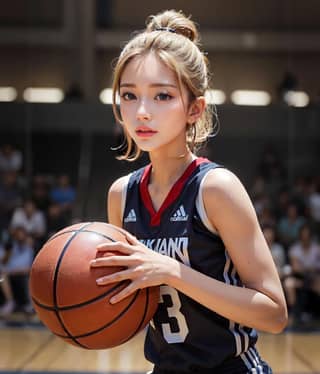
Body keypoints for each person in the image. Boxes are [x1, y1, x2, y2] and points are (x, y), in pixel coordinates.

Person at [90, 10, 287, 373]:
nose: (142, 112)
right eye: (129, 95)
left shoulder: (216, 189)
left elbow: (274, 313)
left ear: (194, 108)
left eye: (162, 96)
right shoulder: (121, 195)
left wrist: (172, 271)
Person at [0, 226, 34, 317]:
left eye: (22, 235)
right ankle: (10, 302)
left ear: (25, 236)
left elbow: (29, 267)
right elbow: (3, 264)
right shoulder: (9, 248)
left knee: (30, 276)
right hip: (8, 275)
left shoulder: (28, 249)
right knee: (1, 277)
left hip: (23, 275)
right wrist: (8, 253)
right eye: (18, 235)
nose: (20, 237)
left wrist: (16, 271)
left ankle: (30, 304)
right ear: (14, 236)